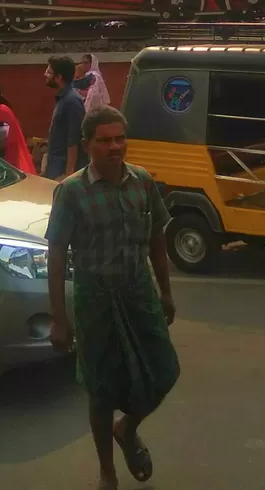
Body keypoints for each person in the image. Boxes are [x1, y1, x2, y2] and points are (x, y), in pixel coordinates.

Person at [46, 106, 179, 490]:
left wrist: (165, 292)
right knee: (102, 389)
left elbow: (157, 239)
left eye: (120, 138)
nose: (115, 146)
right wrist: (58, 317)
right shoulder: (71, 192)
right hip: (95, 299)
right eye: (105, 140)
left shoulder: (142, 181)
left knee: (164, 372)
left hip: (139, 292)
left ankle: (128, 428)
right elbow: (56, 256)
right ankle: (107, 470)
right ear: (87, 145)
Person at [44, 55, 86, 179]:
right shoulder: (63, 98)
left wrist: (69, 173)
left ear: (58, 78)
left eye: (49, 72)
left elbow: (74, 140)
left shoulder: (71, 101)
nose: (45, 74)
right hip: (55, 165)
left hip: (62, 169)